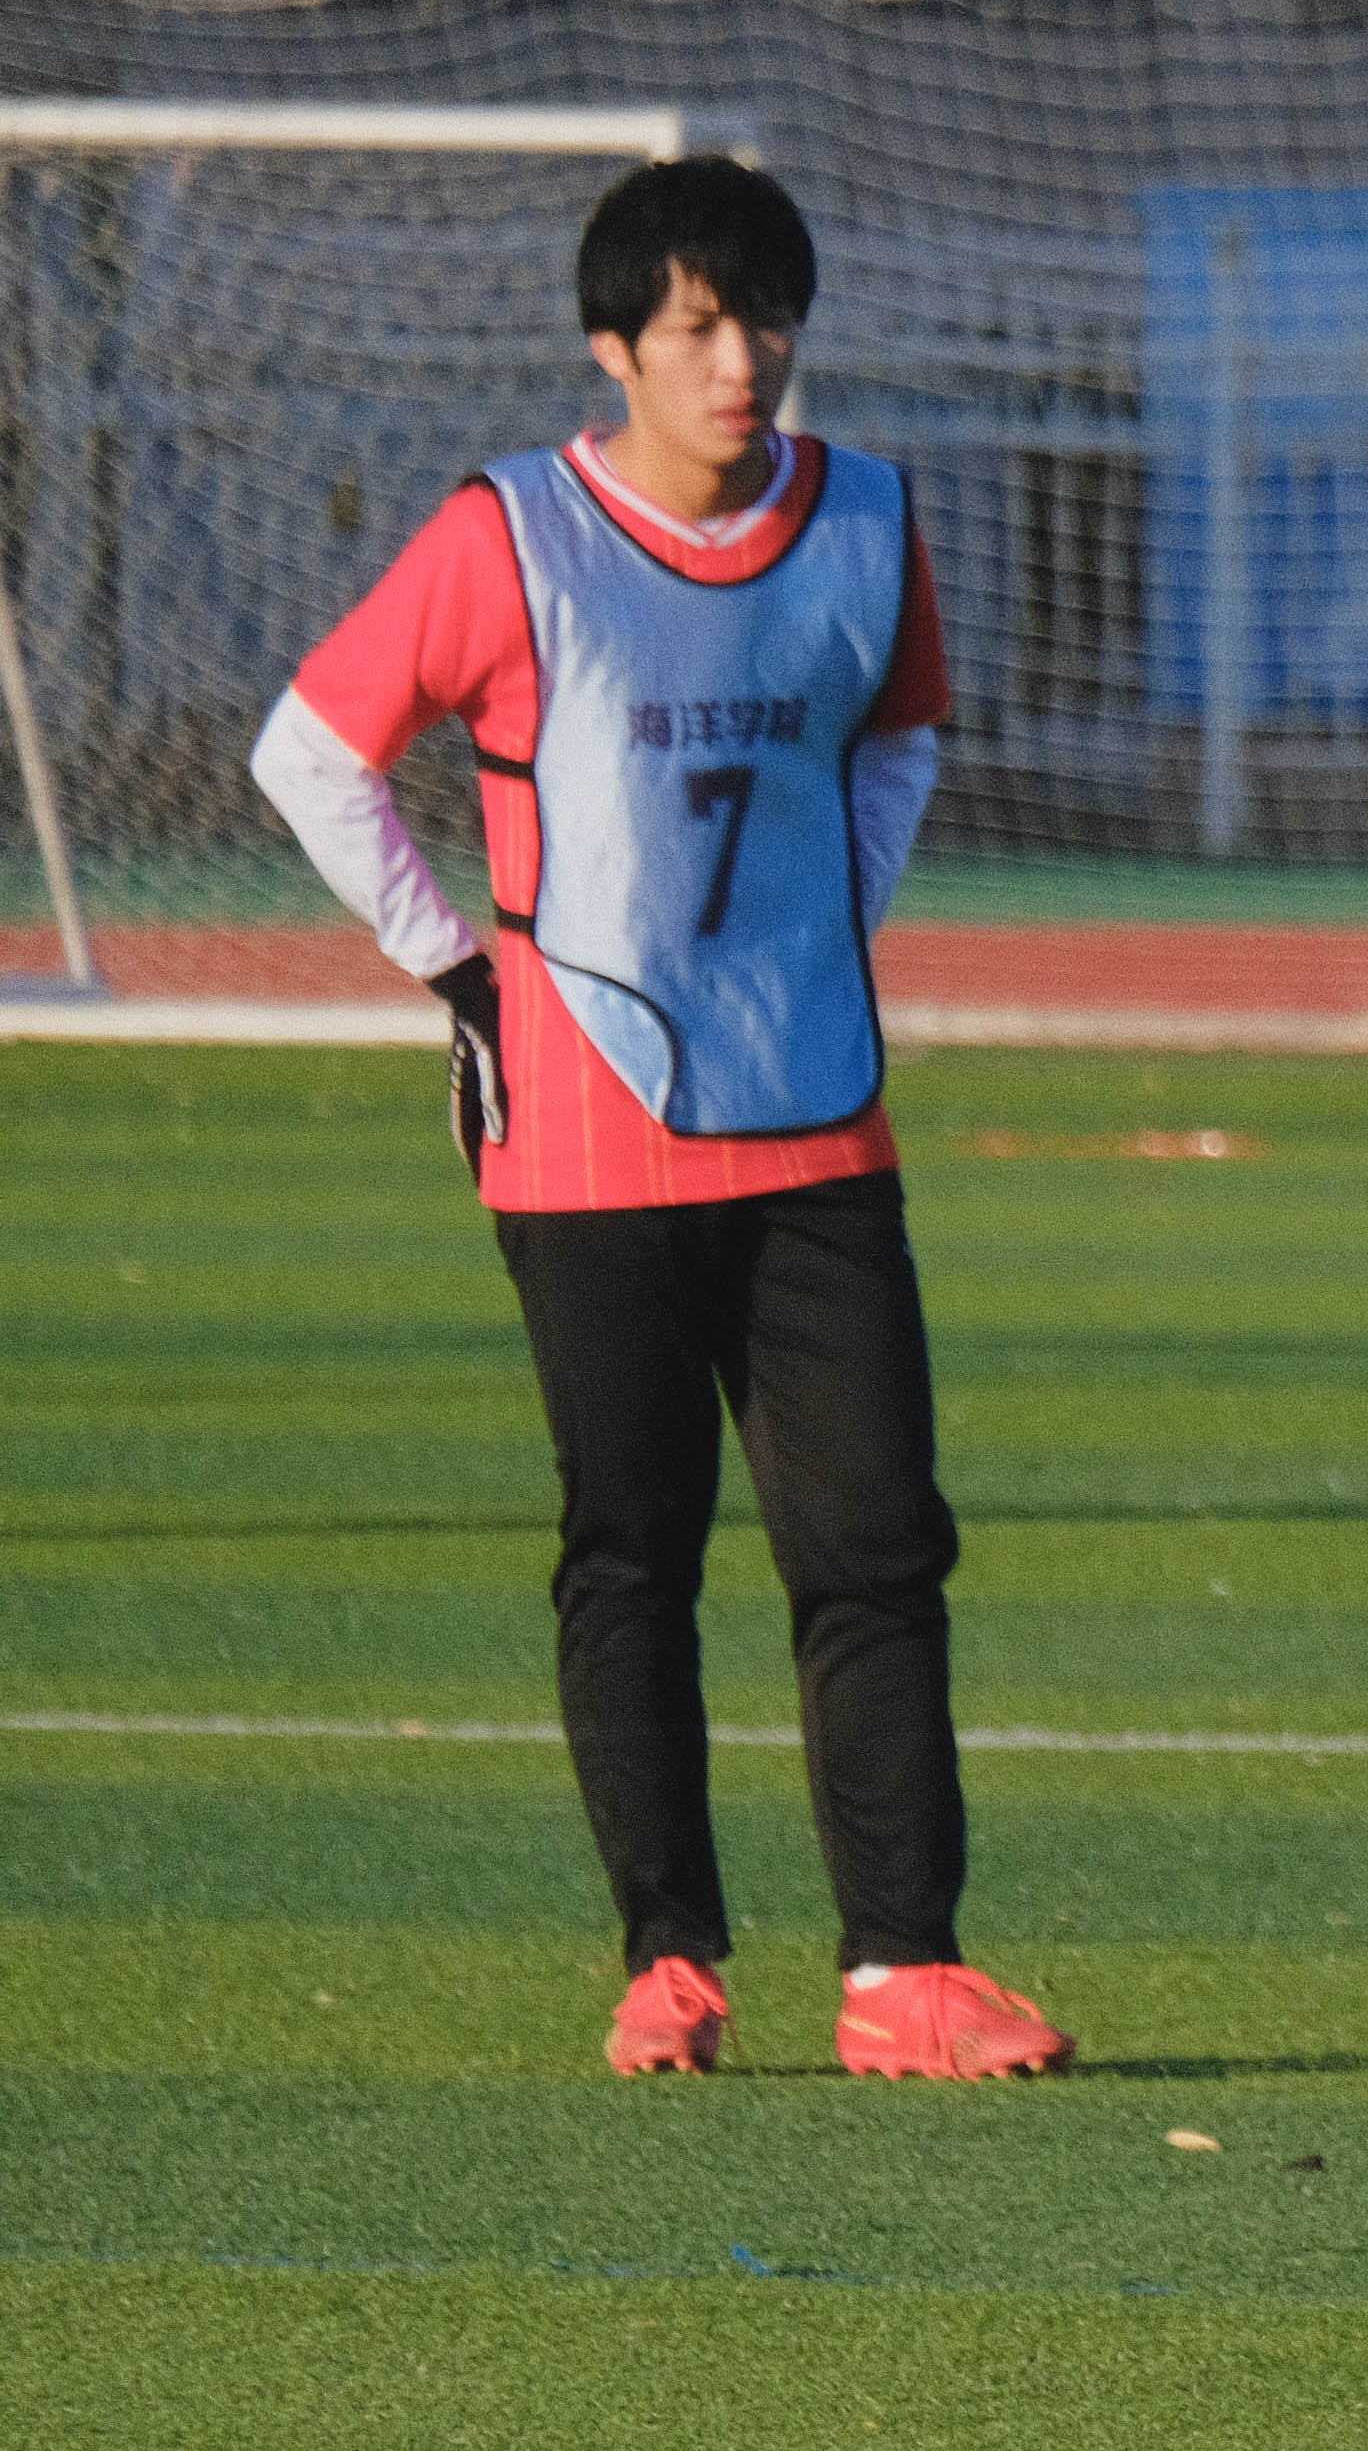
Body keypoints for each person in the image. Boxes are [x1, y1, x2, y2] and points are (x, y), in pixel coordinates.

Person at [250, 154, 1074, 2077]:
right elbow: (310, 750)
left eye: (764, 318)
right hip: (586, 1135)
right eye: (698, 326)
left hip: (816, 1122)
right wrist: (460, 974)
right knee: (632, 1545)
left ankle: (904, 1974)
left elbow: (902, 735)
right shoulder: (510, 534)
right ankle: (670, 1964)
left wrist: (826, 926)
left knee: (878, 1544)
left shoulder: (863, 519)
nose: (740, 360)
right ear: (613, 347)